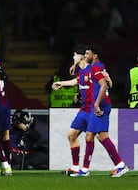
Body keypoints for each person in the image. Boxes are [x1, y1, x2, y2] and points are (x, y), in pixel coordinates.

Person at [71, 45, 129, 177]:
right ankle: (84, 170)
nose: (85, 56)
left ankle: (120, 165)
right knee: (89, 136)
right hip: (96, 105)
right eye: (84, 54)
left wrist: (96, 104)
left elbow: (103, 85)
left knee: (102, 136)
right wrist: (75, 65)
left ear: (94, 55)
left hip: (100, 106)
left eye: (87, 53)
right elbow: (108, 83)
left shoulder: (96, 67)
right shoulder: (95, 67)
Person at [52, 45, 91, 175]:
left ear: (80, 56)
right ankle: (75, 167)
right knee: (71, 135)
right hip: (83, 109)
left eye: (74, 55)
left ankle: (118, 164)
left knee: (100, 139)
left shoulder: (92, 69)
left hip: (92, 110)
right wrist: (61, 83)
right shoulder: (81, 71)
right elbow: (77, 81)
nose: (73, 58)